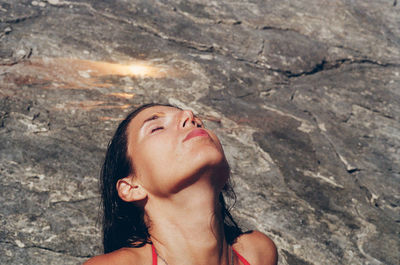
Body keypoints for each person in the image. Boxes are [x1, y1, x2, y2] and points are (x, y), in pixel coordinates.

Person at [84, 103, 277, 265]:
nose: (190, 117)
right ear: (132, 188)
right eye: (157, 127)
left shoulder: (258, 253)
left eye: (198, 122)